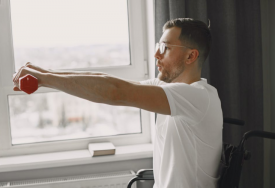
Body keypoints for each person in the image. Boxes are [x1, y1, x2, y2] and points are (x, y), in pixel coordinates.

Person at [13, 18, 223, 188]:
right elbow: (107, 82)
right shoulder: (170, 91)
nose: (156, 54)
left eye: (165, 47)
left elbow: (115, 92)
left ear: (190, 56)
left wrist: (43, 79)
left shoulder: (199, 97)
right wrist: (44, 73)